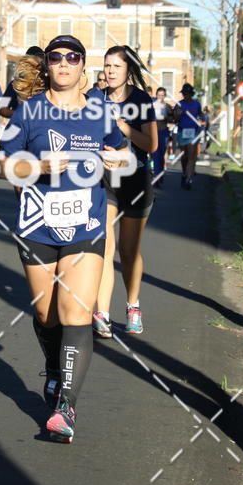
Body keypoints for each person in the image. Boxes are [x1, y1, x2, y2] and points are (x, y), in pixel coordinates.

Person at [0, 35, 125, 442]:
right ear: (48, 66)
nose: (64, 63)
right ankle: (54, 368)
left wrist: (116, 160)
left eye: (73, 57)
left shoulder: (99, 110)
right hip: (37, 225)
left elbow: (122, 152)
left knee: (76, 313)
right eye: (57, 57)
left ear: (82, 67)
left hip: (87, 225)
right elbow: (4, 167)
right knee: (46, 315)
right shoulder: (28, 112)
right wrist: (36, 166)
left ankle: (65, 407)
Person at [88, 45, 157, 338]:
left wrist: (122, 126)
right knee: (105, 245)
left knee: (129, 250)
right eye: (107, 66)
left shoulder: (142, 100)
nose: (110, 71)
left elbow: (151, 145)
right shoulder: (94, 98)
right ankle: (101, 312)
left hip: (136, 178)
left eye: (116, 66)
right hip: (105, 178)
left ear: (128, 70)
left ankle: (132, 305)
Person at [0, 46, 45, 120]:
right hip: (21, 128)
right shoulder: (15, 85)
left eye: (41, 61)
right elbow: (1, 109)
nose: (39, 65)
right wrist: (20, 114)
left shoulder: (48, 84)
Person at [174, 83, 204, 190]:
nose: (185, 96)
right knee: (184, 156)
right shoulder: (179, 104)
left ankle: (189, 178)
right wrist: (177, 114)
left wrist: (201, 120)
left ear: (191, 94)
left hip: (193, 132)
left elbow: (201, 114)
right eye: (184, 94)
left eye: (187, 94)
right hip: (182, 131)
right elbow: (175, 120)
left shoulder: (197, 104)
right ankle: (184, 173)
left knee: (191, 156)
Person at [151, 87, 174, 186]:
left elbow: (172, 119)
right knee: (155, 155)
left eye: (162, 95)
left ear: (165, 96)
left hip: (163, 131)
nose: (160, 97)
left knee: (161, 155)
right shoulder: (151, 106)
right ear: (156, 96)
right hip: (153, 132)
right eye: (159, 95)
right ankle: (157, 177)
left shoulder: (167, 106)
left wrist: (168, 117)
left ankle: (160, 175)